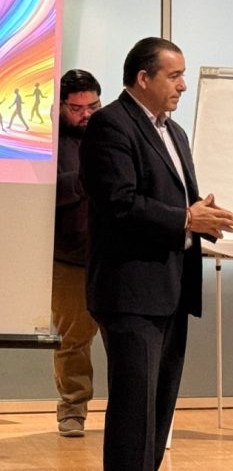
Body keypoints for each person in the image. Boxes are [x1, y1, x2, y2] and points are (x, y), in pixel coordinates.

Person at [80, 37, 233, 470]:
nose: (183, 85)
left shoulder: (174, 132)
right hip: (130, 291)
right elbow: (119, 203)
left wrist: (202, 215)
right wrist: (186, 218)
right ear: (143, 78)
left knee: (158, 408)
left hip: (172, 288)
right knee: (134, 411)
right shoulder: (110, 124)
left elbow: (174, 201)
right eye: (174, 75)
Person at [52, 69, 102, 437]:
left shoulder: (115, 134)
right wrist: (86, 179)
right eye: (76, 108)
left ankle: (132, 413)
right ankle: (72, 410)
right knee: (72, 340)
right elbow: (43, 193)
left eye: (93, 106)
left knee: (129, 339)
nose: (86, 115)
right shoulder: (45, 143)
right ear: (60, 106)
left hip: (116, 255)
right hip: (68, 257)